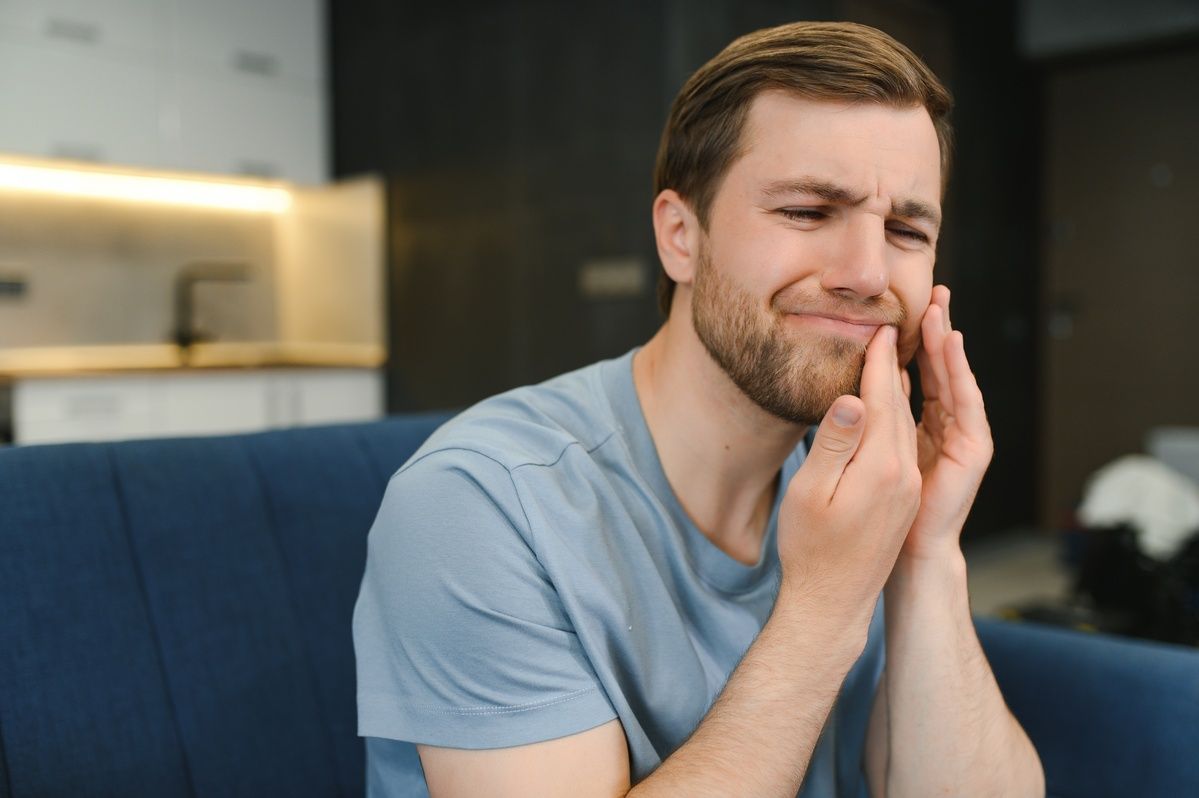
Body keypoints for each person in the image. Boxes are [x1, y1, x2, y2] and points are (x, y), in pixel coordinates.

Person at [353, 20, 1045, 798]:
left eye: (905, 229)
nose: (865, 272)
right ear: (680, 236)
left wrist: (924, 550)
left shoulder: (865, 491)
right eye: (808, 211)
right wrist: (823, 606)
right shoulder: (478, 503)